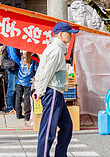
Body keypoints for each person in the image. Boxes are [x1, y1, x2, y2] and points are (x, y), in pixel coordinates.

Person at [33, 22, 78, 157]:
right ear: (60, 34)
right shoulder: (56, 50)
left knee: (67, 127)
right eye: (68, 33)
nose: (70, 35)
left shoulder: (57, 49)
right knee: (48, 130)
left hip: (56, 93)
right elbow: (46, 72)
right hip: (52, 92)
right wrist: (39, 91)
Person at [15, 52, 39, 122]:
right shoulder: (34, 57)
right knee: (27, 99)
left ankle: (18, 114)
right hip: (28, 81)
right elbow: (36, 70)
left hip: (20, 79)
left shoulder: (23, 56)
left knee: (18, 98)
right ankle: (27, 116)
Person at [5, 46, 20, 114]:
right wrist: (21, 65)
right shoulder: (11, 44)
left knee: (13, 89)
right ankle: (9, 108)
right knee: (11, 89)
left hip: (14, 67)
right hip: (13, 68)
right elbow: (14, 56)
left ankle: (13, 107)